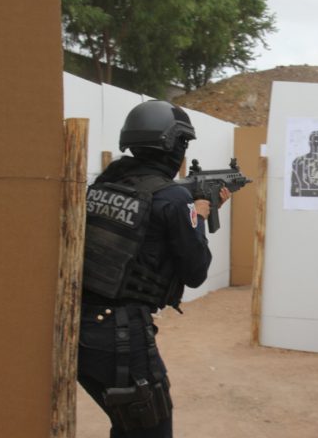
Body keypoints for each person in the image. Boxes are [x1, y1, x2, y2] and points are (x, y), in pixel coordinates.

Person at [77, 100, 230, 438]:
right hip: (120, 335)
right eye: (183, 144)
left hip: (82, 330)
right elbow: (196, 272)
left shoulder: (102, 185)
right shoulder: (174, 200)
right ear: (172, 145)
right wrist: (199, 218)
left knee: (128, 425)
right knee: (152, 428)